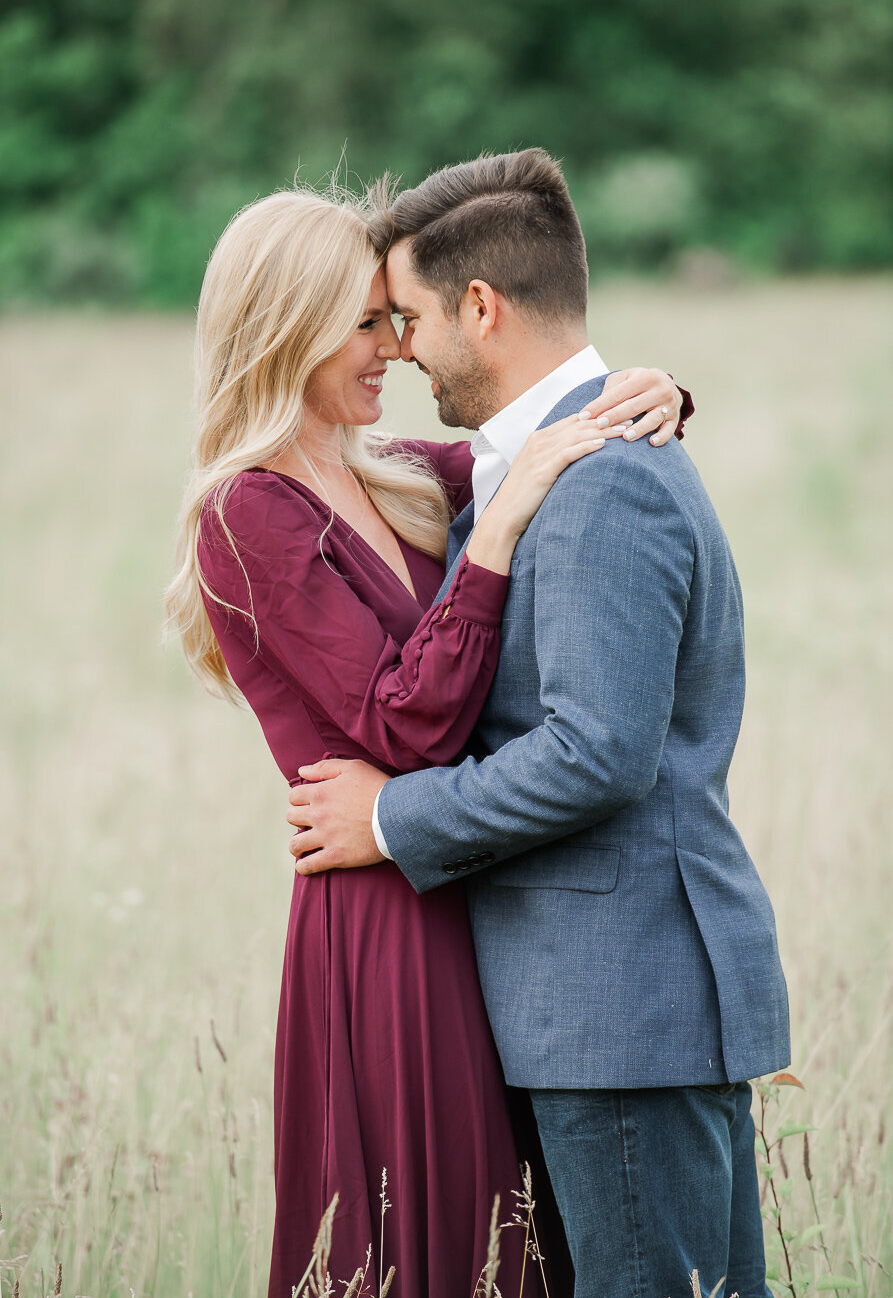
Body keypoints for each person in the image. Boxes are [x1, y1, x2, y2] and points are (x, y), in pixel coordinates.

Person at [165, 185, 689, 1295]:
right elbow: (408, 721)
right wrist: (498, 528)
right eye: (368, 323)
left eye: (395, 321)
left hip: (469, 890)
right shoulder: (245, 512)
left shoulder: (389, 471)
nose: (397, 350)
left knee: (522, 1237)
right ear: (287, 329)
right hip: (382, 920)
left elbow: (534, 434)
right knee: (436, 1238)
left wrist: (651, 389)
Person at [286, 149, 792, 1298]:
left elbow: (597, 753)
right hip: (614, 1002)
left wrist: (390, 814)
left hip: (622, 1005)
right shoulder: (542, 455)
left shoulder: (600, 477)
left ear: (482, 305)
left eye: (408, 316)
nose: (400, 346)